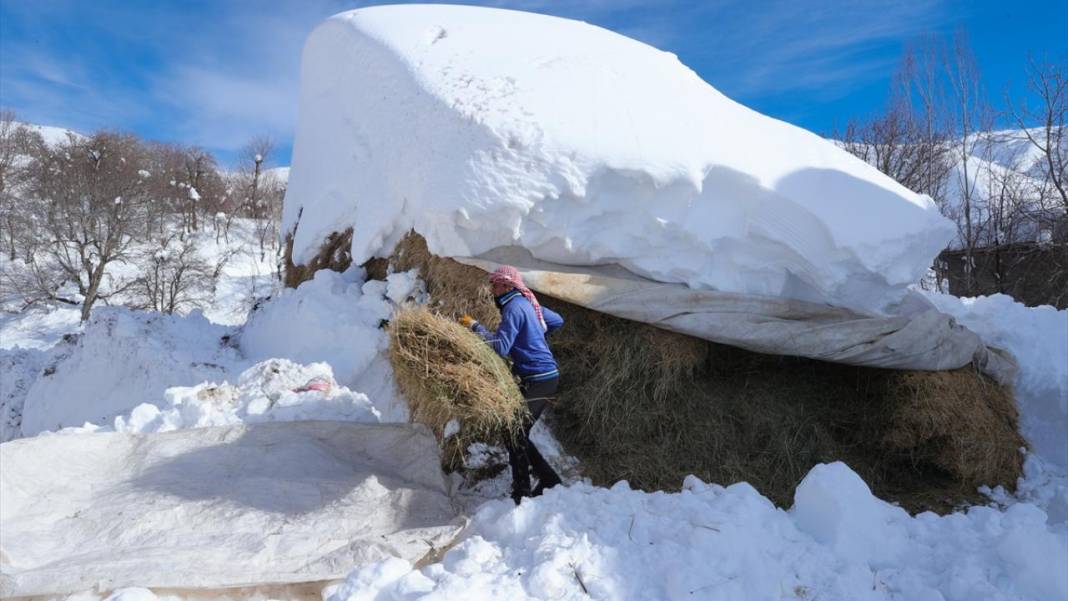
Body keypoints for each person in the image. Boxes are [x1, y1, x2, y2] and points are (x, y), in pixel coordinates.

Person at [459, 265, 564, 504]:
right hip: (540, 378)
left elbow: (501, 347)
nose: (492, 289)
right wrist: (535, 336)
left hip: (541, 379)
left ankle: (523, 491)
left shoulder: (513, 308)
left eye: (495, 285)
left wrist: (476, 327)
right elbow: (557, 320)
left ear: (507, 285)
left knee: (514, 432)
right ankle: (548, 480)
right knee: (514, 432)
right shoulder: (528, 304)